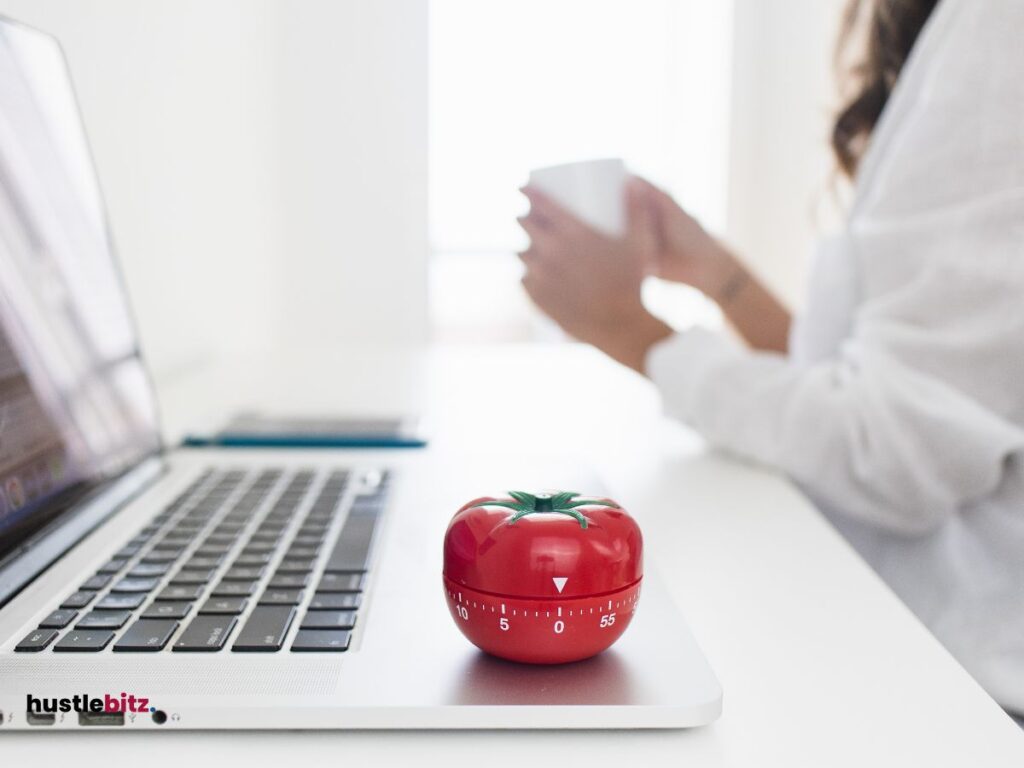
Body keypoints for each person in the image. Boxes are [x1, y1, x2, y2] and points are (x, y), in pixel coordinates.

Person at [517, 0, 1024, 717]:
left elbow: (896, 452)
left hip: (967, 693)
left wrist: (629, 330)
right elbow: (906, 384)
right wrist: (723, 278)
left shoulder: (999, 26)